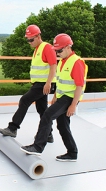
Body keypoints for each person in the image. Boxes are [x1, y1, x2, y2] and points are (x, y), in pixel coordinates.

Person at [20, 33, 88, 162]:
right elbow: (61, 81)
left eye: (60, 50)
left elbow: (79, 85)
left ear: (68, 47)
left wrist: (73, 105)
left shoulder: (77, 63)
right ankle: (72, 152)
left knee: (47, 115)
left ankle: (37, 147)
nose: (57, 53)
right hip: (62, 96)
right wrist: (56, 96)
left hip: (70, 98)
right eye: (56, 50)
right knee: (62, 125)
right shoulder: (63, 61)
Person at [0, 25, 57, 142]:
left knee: (24, 100)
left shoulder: (47, 48)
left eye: (31, 39)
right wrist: (34, 83)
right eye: (28, 39)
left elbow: (53, 65)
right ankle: (48, 134)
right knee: (42, 109)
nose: (29, 42)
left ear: (38, 36)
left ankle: (12, 128)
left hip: (44, 84)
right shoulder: (37, 49)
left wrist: (48, 83)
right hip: (39, 84)